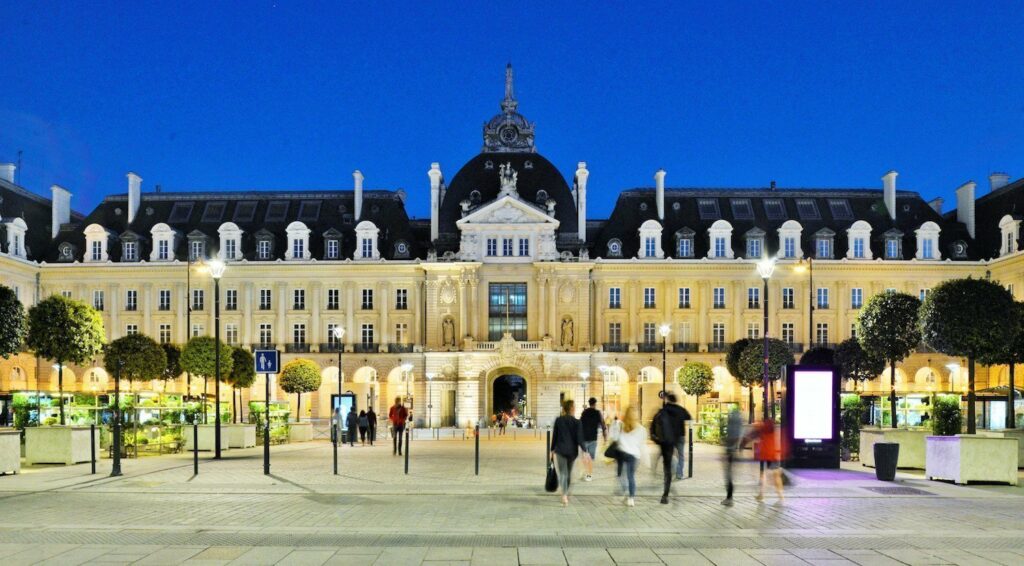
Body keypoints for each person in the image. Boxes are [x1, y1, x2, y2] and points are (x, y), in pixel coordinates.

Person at [651, 393, 692, 504]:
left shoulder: (664, 410)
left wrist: (658, 441)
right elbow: (689, 418)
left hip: (667, 441)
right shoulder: (680, 410)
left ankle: (665, 495)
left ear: (668, 400)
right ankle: (679, 473)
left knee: (667, 467)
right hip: (680, 437)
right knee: (681, 455)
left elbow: (654, 426)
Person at [550, 399, 590, 506]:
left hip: (561, 450)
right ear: (572, 408)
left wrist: (552, 449)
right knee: (568, 473)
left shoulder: (559, 420)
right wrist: (585, 451)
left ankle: (564, 495)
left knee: (563, 473)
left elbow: (555, 435)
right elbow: (580, 438)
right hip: (572, 452)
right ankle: (565, 493)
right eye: (575, 406)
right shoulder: (577, 422)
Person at [614, 406, 648, 507]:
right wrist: (647, 460)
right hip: (634, 456)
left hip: (622, 454)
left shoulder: (621, 426)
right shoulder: (642, 429)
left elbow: (616, 439)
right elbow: (642, 445)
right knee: (631, 476)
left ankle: (625, 492)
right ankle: (631, 498)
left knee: (621, 476)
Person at [747, 417, 785, 503]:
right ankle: (781, 496)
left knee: (763, 475)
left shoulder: (762, 430)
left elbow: (752, 433)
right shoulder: (774, 431)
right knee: (776, 476)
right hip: (773, 455)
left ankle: (761, 494)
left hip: (764, 455)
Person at [579, 397, 606, 481]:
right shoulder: (597, 413)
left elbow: (580, 424)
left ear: (589, 403)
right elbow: (603, 424)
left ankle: (584, 471)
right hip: (593, 439)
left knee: (584, 456)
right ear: (595, 404)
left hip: (584, 438)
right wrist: (605, 437)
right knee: (590, 458)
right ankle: (589, 475)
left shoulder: (584, 412)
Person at [722, 407, 743, 506]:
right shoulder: (738, 424)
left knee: (729, 475)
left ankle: (729, 498)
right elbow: (738, 437)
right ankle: (729, 497)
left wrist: (729, 449)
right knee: (729, 475)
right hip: (732, 451)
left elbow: (732, 438)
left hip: (730, 452)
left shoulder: (732, 425)